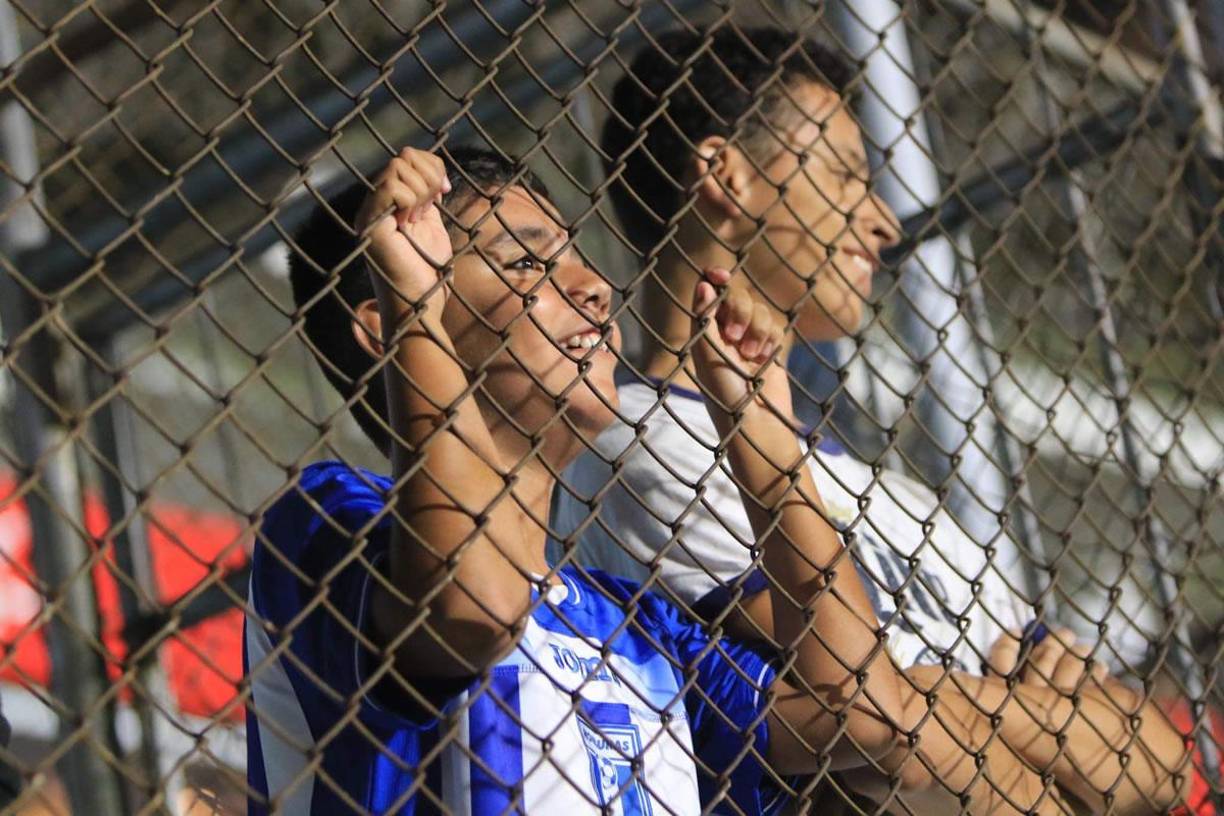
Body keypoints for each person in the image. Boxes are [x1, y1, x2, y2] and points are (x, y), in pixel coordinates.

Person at [554, 25, 1190, 813]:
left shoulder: (893, 492)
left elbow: (1159, 759)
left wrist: (942, 701)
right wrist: (1037, 721)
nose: (883, 221)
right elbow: (878, 738)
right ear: (727, 175)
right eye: (846, 175)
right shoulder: (641, 450)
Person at [245, 144, 928, 815]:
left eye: (574, 255)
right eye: (527, 263)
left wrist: (768, 449)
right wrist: (414, 316)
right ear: (391, 318)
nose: (595, 287)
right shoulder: (333, 522)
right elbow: (472, 611)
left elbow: (864, 721)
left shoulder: (634, 627)